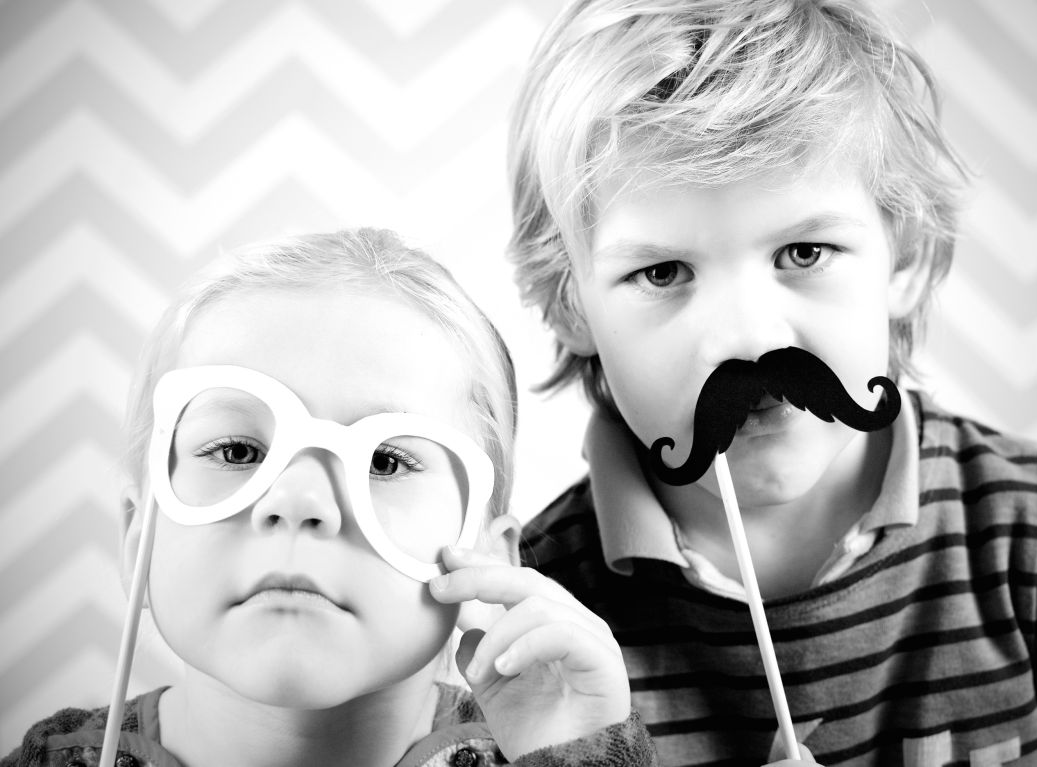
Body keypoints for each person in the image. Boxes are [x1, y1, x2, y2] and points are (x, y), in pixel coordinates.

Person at [506, 1, 1037, 765]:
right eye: (663, 271)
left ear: (905, 257)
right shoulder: (541, 629)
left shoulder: (1036, 539)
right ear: (570, 307)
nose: (748, 337)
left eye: (804, 252)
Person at [2, 228, 656, 767]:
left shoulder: (548, 754)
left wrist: (576, 755)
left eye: (385, 461)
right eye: (238, 452)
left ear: (490, 561)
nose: (297, 500)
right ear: (137, 536)